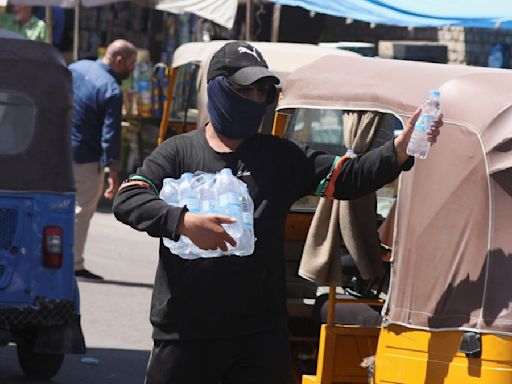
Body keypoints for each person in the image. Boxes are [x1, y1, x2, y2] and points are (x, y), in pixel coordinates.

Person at [112, 41, 443, 384]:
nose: (256, 99)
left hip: (258, 336)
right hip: (184, 333)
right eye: (246, 89)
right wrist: (182, 222)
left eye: (262, 90)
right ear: (218, 88)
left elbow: (349, 178)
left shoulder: (281, 157)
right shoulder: (177, 153)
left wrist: (401, 149)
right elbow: (128, 199)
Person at [71, 39, 137, 280]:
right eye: (131, 65)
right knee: (82, 210)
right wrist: (113, 173)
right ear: (119, 60)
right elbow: (111, 134)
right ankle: (73, 264)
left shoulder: (76, 68)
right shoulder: (111, 88)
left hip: (61, 151)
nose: (132, 70)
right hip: (86, 157)